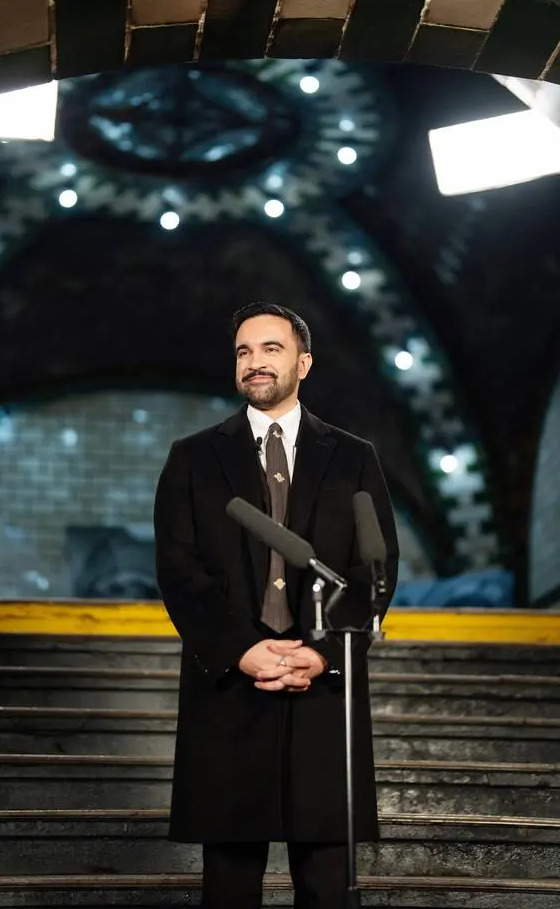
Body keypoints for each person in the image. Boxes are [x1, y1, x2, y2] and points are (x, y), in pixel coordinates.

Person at [154, 302, 399, 909]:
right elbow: (178, 570)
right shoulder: (192, 456)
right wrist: (243, 649)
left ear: (304, 363)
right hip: (231, 684)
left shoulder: (354, 456)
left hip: (324, 688)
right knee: (231, 884)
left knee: (327, 882)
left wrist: (320, 654)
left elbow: (374, 568)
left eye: (271, 349)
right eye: (244, 351)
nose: (255, 362)